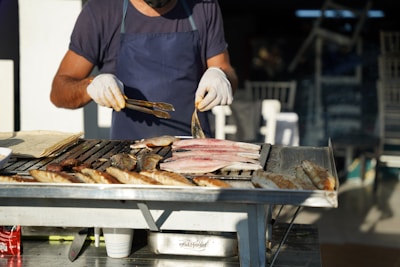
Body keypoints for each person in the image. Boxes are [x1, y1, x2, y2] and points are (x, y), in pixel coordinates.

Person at [50, 0, 238, 140]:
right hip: (129, 155)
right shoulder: (101, 12)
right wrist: (91, 85)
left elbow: (225, 69)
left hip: (195, 151)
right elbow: (59, 91)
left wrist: (221, 76)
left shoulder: (203, 6)